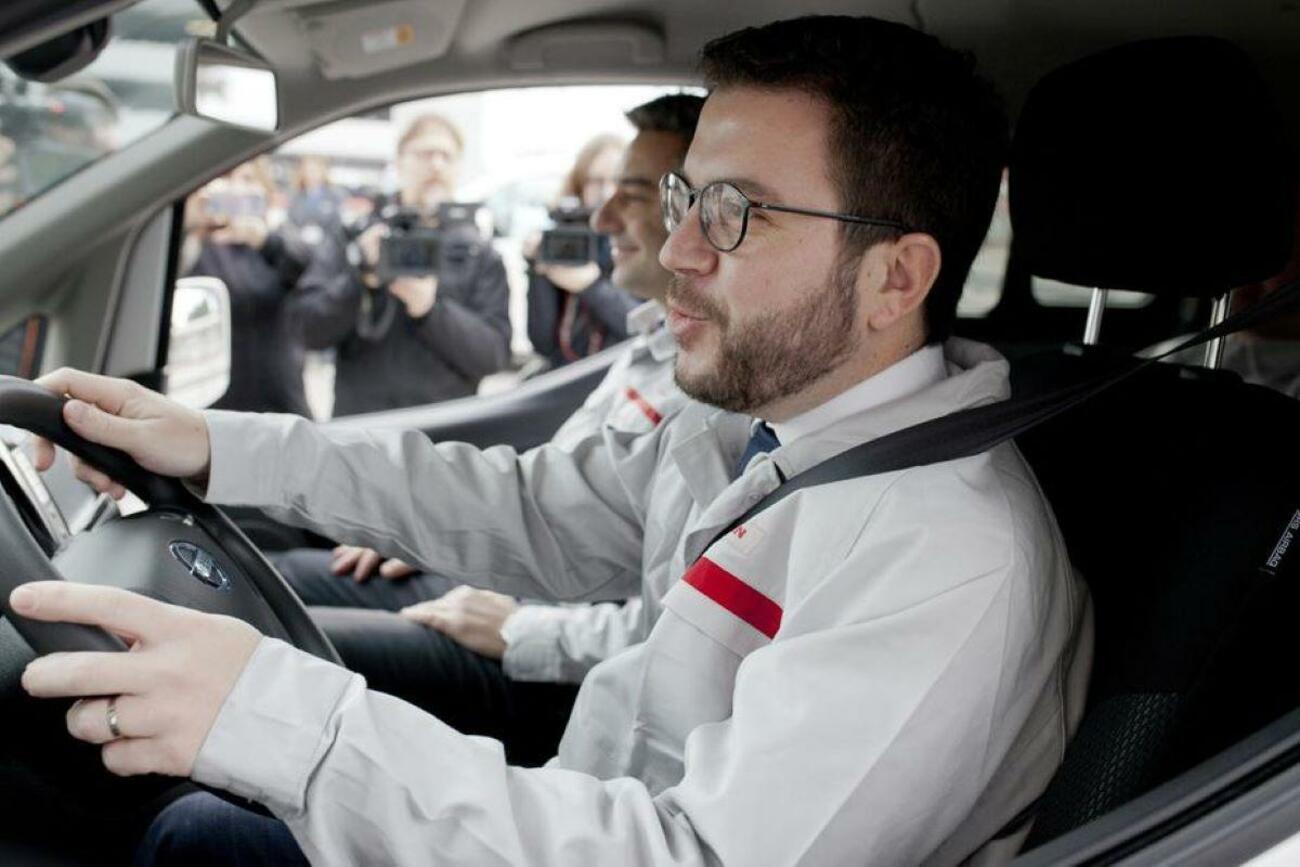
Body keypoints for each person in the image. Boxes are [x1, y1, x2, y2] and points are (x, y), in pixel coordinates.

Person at [16, 16, 1090, 865]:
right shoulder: (757, 427)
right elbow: (528, 508)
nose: (672, 249)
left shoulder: (946, 555)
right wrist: (212, 444)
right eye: (683, 198)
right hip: (581, 803)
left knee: (191, 829)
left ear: (894, 278)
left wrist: (283, 717)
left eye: (736, 213)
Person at [269, 94, 704, 765]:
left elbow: (673, 624)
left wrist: (520, 626)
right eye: (423, 153)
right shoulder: (650, 346)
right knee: (275, 578)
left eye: (634, 194)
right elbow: (555, 494)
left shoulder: (714, 388)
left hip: (551, 644)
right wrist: (442, 535)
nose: (601, 216)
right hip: (521, 579)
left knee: (280, 639)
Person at [289, 113, 512, 416]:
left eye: (446, 156)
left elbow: (493, 356)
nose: (436, 165)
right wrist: (362, 277)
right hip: (364, 429)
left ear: (458, 167)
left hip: (445, 433)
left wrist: (430, 310)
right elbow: (307, 330)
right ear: (400, 162)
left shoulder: (477, 252)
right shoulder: (355, 236)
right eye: (425, 154)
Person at [183, 157, 314, 416]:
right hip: (216, 403)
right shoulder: (198, 243)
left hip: (280, 398)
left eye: (247, 179)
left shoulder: (275, 239)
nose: (236, 189)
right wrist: (191, 225)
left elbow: (305, 264)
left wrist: (262, 238)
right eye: (225, 179)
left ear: (263, 190)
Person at [526, 133, 642, 367]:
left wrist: (591, 286)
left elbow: (645, 330)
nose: (607, 193)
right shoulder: (562, 236)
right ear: (579, 187)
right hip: (565, 378)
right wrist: (538, 269)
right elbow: (542, 342)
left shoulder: (644, 243)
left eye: (617, 182)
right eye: (596, 182)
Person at [285, 154, 346, 245]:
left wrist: (321, 236)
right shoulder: (294, 196)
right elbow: (290, 223)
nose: (311, 174)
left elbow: (339, 225)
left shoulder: (336, 195)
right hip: (299, 248)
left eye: (315, 170)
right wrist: (300, 236)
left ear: (323, 171)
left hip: (328, 249)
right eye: (308, 170)